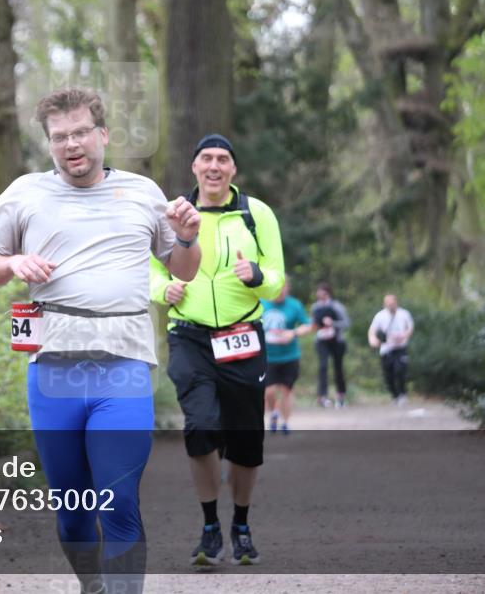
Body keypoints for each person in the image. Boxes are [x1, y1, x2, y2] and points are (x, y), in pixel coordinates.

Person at [0, 86, 201, 594]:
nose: (71, 144)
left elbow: (182, 267)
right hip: (53, 369)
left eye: (80, 132)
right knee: (73, 513)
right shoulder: (23, 193)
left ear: (102, 134)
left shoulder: (143, 193)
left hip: (122, 366)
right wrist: (13, 263)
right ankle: (92, 586)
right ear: (49, 144)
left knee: (118, 501)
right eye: (60, 137)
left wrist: (188, 237)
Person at [150, 133, 285, 567]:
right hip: (189, 335)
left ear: (232, 170)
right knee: (201, 425)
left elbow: (278, 278)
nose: (214, 165)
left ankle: (240, 526)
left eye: (222, 159)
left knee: (245, 438)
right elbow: (149, 268)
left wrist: (255, 275)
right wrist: (161, 288)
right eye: (205, 158)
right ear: (194, 167)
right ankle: (210, 526)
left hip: (243, 335)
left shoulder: (256, 213)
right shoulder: (173, 214)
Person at [260, 277, 312, 435]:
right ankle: (274, 411)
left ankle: (285, 422)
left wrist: (293, 333)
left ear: (288, 288)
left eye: (283, 288)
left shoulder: (294, 305)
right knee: (268, 391)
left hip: (289, 356)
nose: (280, 292)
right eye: (277, 288)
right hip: (267, 356)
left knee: (286, 390)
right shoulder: (261, 303)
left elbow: (307, 325)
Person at [368, 294, 415, 405]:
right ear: (384, 304)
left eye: (392, 303)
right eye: (388, 304)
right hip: (386, 349)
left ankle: (402, 394)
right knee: (388, 374)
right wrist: (372, 339)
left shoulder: (404, 314)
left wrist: (404, 335)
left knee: (400, 371)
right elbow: (372, 330)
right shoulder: (380, 316)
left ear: (396, 303)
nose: (390, 305)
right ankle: (395, 396)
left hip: (400, 348)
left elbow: (410, 327)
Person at [310, 283, 350, 408]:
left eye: (321, 293)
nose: (318, 295)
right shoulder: (315, 307)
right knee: (323, 366)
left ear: (327, 293)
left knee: (338, 368)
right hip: (322, 341)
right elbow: (312, 324)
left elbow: (346, 323)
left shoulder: (337, 306)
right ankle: (322, 396)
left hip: (337, 341)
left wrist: (332, 323)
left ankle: (341, 396)